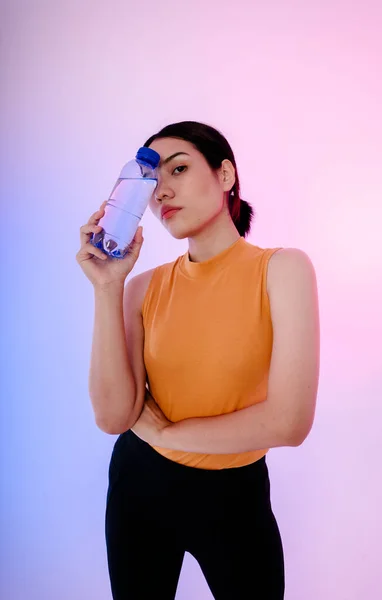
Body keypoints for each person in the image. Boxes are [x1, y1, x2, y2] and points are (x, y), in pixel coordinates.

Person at [76, 121, 320, 600]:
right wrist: (108, 287)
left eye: (179, 169)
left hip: (235, 495)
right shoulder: (142, 287)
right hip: (139, 485)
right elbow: (112, 417)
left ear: (225, 175)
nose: (161, 191)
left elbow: (289, 423)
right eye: (150, 183)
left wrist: (167, 433)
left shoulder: (283, 269)